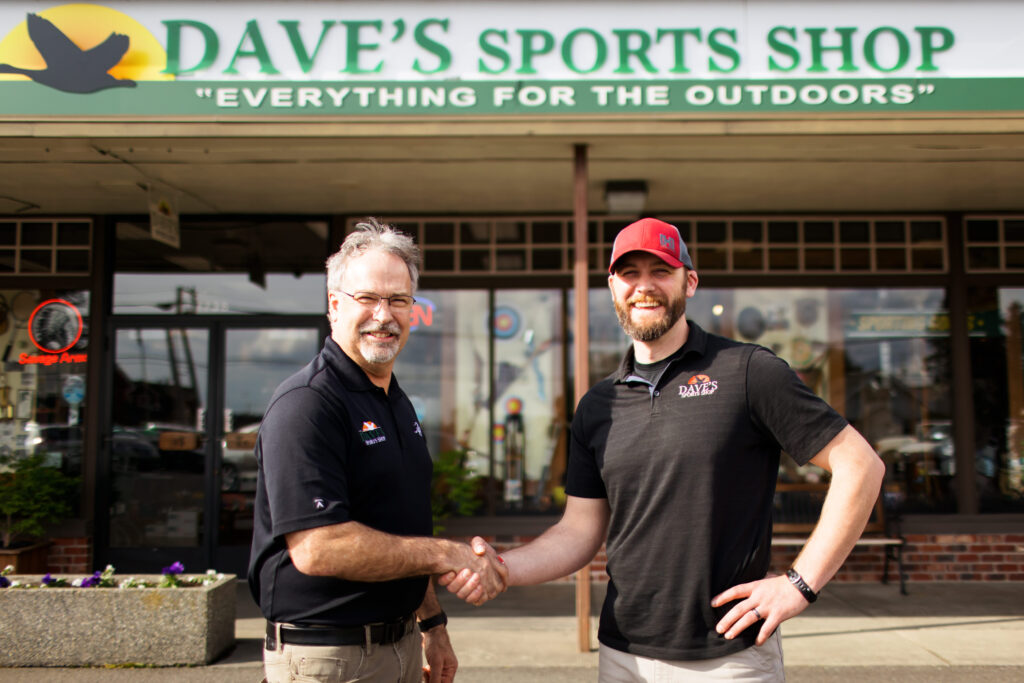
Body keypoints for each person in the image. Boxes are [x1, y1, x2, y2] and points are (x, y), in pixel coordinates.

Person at [442, 217, 885, 681]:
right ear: (612, 286)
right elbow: (578, 531)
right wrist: (501, 568)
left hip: (729, 659)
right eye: (630, 273)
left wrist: (799, 585)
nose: (644, 286)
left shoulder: (748, 372)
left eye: (661, 271)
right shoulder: (598, 407)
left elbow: (860, 466)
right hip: (624, 656)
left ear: (689, 282)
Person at [249, 218, 507, 683]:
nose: (383, 315)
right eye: (367, 298)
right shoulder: (307, 404)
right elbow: (318, 548)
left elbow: (402, 531)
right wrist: (447, 555)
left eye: (398, 300)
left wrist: (433, 624)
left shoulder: (394, 401)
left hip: (401, 645)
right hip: (327, 657)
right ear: (333, 305)